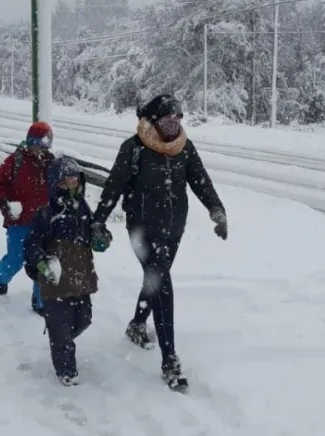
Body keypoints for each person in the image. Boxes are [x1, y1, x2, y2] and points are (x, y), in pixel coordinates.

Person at [90, 94, 227, 391]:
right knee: (163, 283)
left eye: (178, 118)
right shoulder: (134, 148)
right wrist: (98, 221)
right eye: (167, 119)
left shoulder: (184, 147)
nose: (173, 124)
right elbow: (113, 187)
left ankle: (137, 325)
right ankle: (170, 361)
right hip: (142, 231)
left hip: (173, 229)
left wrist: (217, 210)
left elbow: (201, 181)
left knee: (156, 279)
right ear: (153, 121)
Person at [23, 157, 113, 386]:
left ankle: (60, 339)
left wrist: (101, 238)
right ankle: (66, 368)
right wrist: (41, 263)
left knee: (84, 319)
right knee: (60, 327)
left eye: (75, 181)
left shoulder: (83, 209)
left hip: (80, 277)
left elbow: (94, 233)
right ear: (56, 183)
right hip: (55, 280)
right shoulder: (46, 213)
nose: (72, 185)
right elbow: (31, 245)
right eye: (66, 181)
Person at [0, 121, 55, 316]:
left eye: (45, 145)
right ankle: (1, 276)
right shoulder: (15, 161)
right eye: (39, 145)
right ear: (31, 142)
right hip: (19, 221)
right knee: (16, 258)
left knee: (42, 260)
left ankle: (41, 301)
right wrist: (4, 203)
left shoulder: (50, 163)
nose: (41, 150)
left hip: (43, 223)